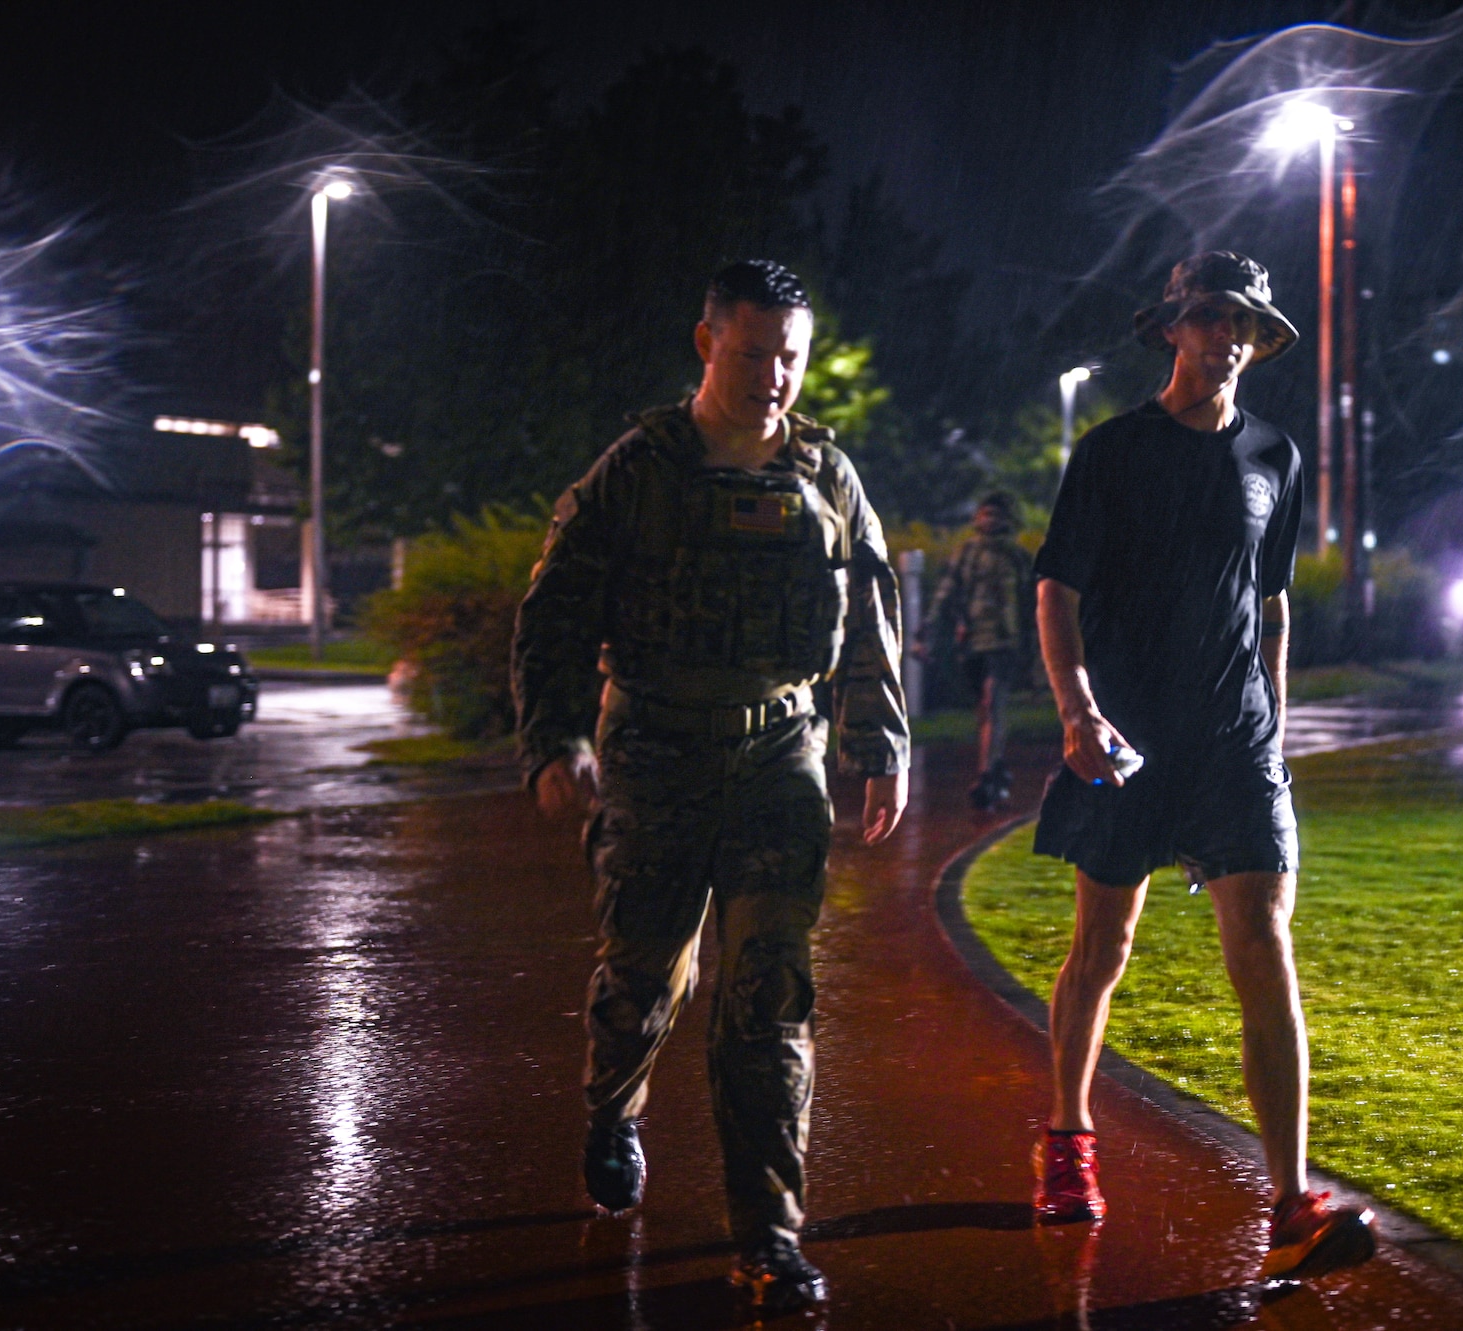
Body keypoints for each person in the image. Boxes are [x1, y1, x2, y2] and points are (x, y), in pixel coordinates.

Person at [512, 259, 910, 1313]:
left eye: (790, 356)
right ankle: (612, 1107)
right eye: (751, 353)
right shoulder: (637, 470)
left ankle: (767, 1235)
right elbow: (553, 610)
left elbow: (868, 615)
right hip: (653, 749)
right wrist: (555, 739)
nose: (773, 376)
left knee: (767, 1000)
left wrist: (878, 741)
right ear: (705, 345)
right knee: (644, 977)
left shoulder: (827, 475)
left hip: (780, 755)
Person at [1027, 251, 1375, 1282]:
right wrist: (1077, 707)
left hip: (1236, 741)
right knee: (1102, 943)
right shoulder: (1112, 450)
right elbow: (1056, 589)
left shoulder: (1275, 453)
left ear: (1257, 341)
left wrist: (1273, 712)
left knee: (1262, 941)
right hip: (1126, 737)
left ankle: (1287, 1198)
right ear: (1172, 328)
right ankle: (1065, 1137)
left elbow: (1269, 599)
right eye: (1209, 317)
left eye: (1245, 324)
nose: (1226, 336)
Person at [924, 489, 1035, 809]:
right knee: (984, 708)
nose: (990, 520)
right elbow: (947, 592)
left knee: (993, 701)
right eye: (985, 513)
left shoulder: (1017, 557)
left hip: (1005, 642)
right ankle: (995, 763)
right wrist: (930, 627)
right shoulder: (966, 554)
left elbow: (1031, 603)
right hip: (972, 643)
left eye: (996, 514)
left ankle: (986, 774)